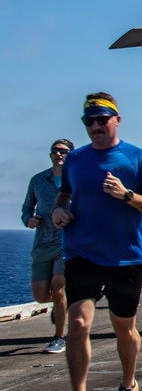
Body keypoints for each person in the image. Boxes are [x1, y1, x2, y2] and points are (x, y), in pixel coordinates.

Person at [51, 93, 142, 391]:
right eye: (89, 121)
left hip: (125, 256)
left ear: (117, 120)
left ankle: (128, 386)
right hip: (82, 252)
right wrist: (58, 210)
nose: (95, 126)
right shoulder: (74, 160)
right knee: (78, 322)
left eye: (102, 119)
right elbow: (64, 194)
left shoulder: (137, 158)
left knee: (123, 327)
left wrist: (127, 195)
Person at [22, 138, 74, 354]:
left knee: (58, 288)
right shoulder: (37, 180)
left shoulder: (77, 179)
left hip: (68, 241)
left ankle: (59, 337)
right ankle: (63, 306)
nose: (58, 154)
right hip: (42, 243)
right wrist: (28, 220)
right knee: (41, 295)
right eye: (55, 151)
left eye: (63, 151)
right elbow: (27, 207)